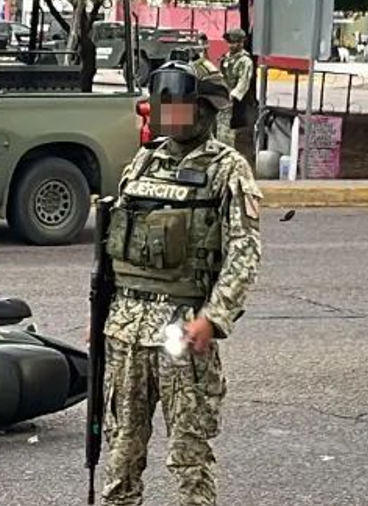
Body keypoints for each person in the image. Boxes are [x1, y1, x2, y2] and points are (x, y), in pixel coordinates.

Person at [97, 62, 262, 506]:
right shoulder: (144, 161)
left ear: (205, 110)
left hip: (181, 331)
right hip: (125, 330)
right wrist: (102, 322)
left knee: (188, 457)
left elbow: (244, 254)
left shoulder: (228, 169)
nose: (169, 114)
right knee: (120, 452)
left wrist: (213, 318)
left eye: (180, 105)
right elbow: (118, 246)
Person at [218, 28, 253, 147]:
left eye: (234, 42)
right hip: (223, 98)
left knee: (231, 132)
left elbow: (244, 82)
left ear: (241, 43)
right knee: (221, 129)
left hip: (236, 101)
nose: (231, 45)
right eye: (230, 42)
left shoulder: (245, 61)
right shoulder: (226, 58)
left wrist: (233, 95)